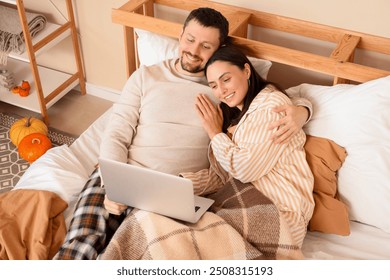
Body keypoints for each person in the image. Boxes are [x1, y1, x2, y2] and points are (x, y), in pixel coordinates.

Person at [54, 7, 312, 260]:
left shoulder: (223, 89)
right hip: (123, 173)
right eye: (190, 39)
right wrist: (112, 184)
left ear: (218, 50)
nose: (194, 51)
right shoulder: (146, 76)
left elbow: (269, 97)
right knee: (79, 247)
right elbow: (116, 132)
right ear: (181, 36)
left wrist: (302, 110)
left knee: (131, 254)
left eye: (206, 46)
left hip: (170, 192)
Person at [182, 44, 315, 248]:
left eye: (226, 79)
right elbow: (224, 175)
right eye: (214, 85)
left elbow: (244, 170)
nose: (221, 91)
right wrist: (181, 184)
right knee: (164, 222)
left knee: (182, 237)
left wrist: (214, 133)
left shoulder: (271, 106)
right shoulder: (237, 116)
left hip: (281, 214)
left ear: (246, 70)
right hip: (246, 206)